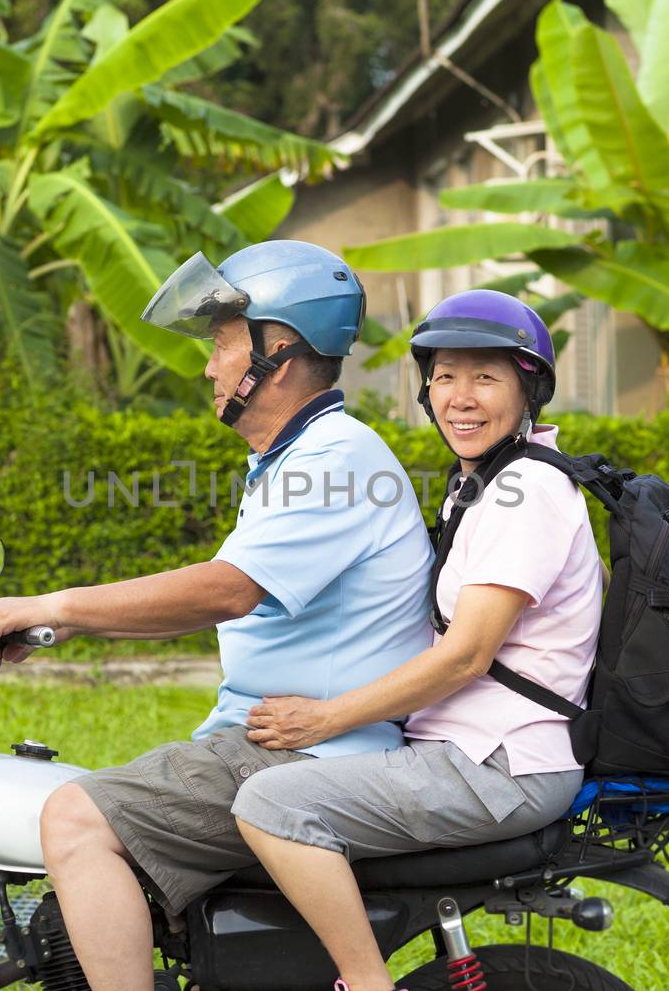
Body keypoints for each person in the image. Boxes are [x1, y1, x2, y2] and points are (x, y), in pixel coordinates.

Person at [0, 241, 435, 991]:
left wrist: (59, 607)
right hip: (269, 739)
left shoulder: (336, 459)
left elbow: (226, 589)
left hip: (306, 757)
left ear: (276, 350)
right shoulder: (294, 460)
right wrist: (52, 629)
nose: (209, 365)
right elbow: (221, 594)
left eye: (221, 342)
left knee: (74, 817)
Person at [230, 288, 606, 991]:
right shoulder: (484, 485)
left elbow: (466, 654)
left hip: (501, 764)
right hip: (469, 750)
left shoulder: (527, 492)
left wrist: (327, 716)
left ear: (530, 391)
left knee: (272, 803)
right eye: (444, 377)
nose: (461, 397)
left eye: (486, 377)